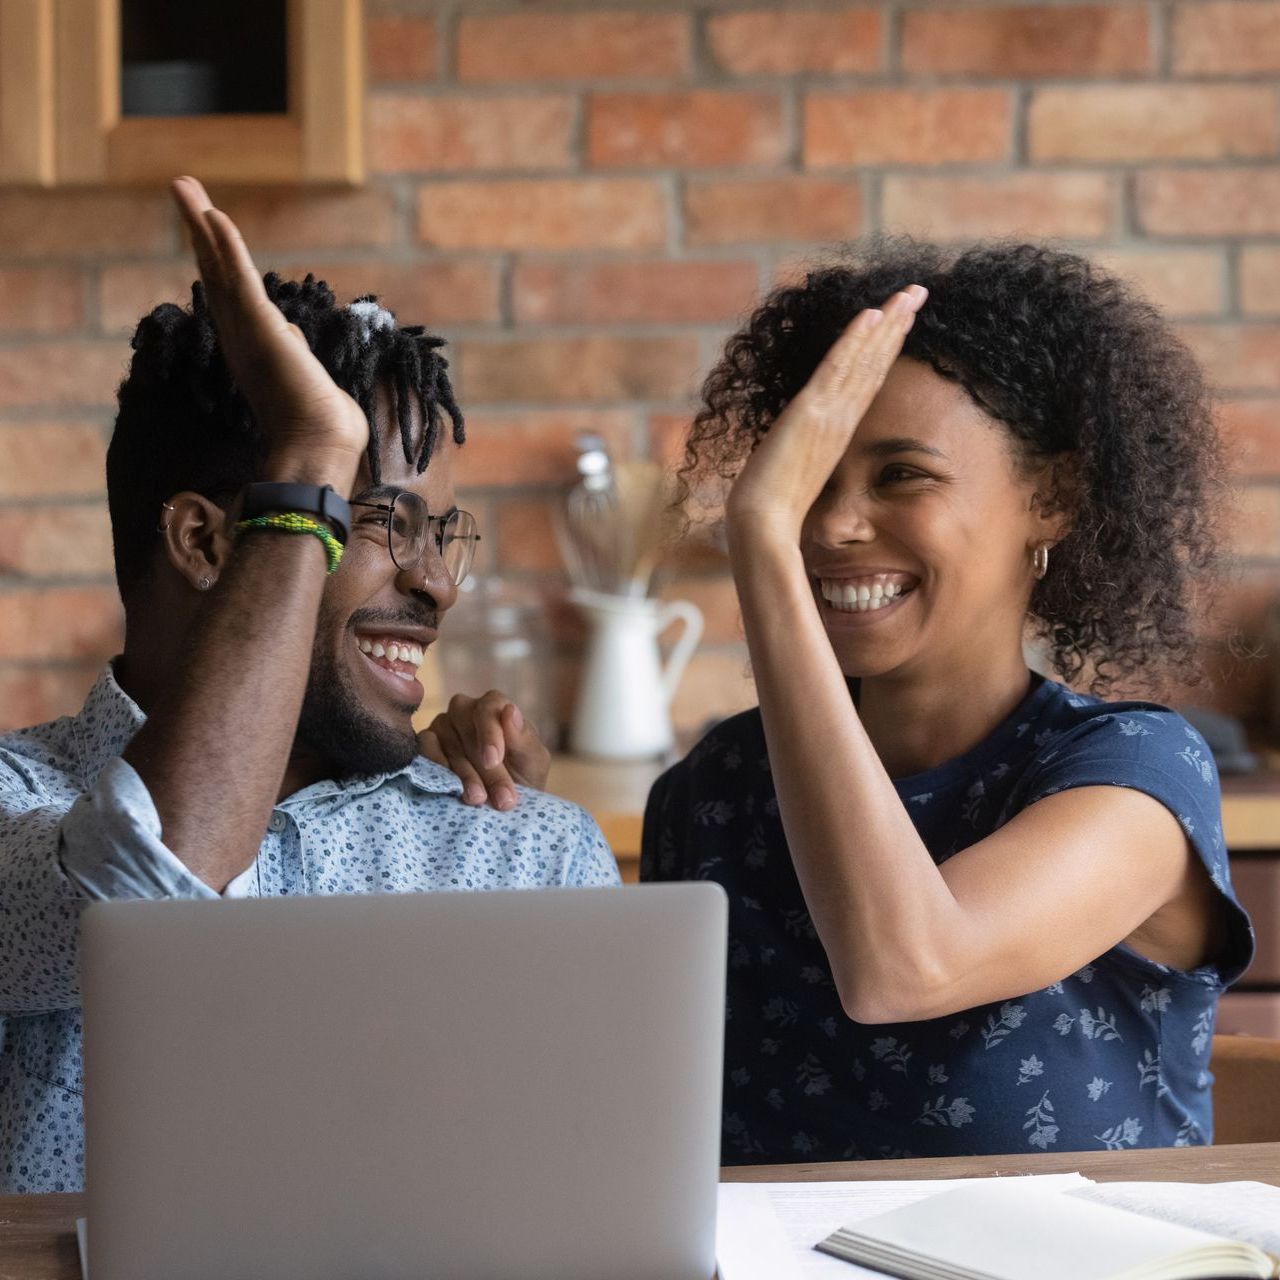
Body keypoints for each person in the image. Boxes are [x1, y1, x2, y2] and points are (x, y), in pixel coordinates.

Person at [0, 178, 617, 1195]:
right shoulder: (19, 803)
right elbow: (156, 877)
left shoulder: (523, 847)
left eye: (441, 530)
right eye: (378, 519)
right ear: (206, 541)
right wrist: (309, 459)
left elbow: (595, 1198)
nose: (437, 581)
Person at [636, 240, 1255, 1164]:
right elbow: (639, 1116)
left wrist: (761, 533)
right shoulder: (715, 788)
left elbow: (906, 966)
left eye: (901, 475)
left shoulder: (1134, 779)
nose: (834, 526)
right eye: (811, 482)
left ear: (1052, 498)